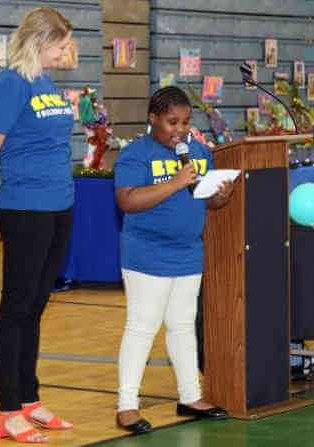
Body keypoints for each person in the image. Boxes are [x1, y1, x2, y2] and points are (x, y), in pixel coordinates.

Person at [0, 7, 76, 443]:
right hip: (25, 208)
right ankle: (7, 410)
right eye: (61, 43)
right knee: (16, 308)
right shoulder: (9, 86)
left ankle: (30, 400)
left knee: (36, 307)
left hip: (60, 205)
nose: (67, 50)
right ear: (39, 42)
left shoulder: (47, 82)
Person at [113, 86, 236, 433]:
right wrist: (175, 181)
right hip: (146, 253)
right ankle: (126, 405)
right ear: (153, 119)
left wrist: (220, 196)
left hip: (188, 252)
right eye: (172, 122)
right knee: (142, 327)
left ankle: (190, 395)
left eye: (185, 122)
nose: (180, 130)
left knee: (183, 326)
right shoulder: (135, 154)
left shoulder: (198, 151)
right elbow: (127, 200)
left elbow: (205, 199)